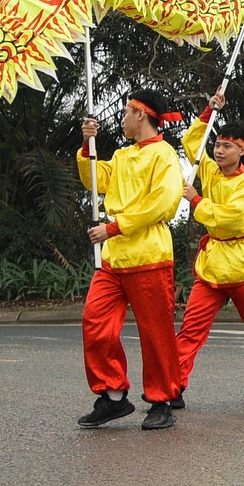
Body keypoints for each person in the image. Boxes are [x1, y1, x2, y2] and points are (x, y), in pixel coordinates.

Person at [77, 89, 187, 430]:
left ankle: (162, 399)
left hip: (148, 254)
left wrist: (114, 227)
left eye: (127, 112)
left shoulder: (165, 155)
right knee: (95, 323)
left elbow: (163, 204)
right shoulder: (124, 156)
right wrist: (87, 146)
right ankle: (112, 396)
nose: (122, 118)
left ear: (140, 113)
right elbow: (95, 180)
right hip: (114, 257)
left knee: (155, 333)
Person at [173, 92, 244, 408]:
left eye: (226, 146)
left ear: (242, 149)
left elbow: (232, 219)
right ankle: (173, 387)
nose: (218, 150)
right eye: (217, 145)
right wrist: (209, 110)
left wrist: (195, 200)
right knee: (191, 329)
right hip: (212, 265)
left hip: (242, 264)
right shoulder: (209, 170)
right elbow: (193, 142)